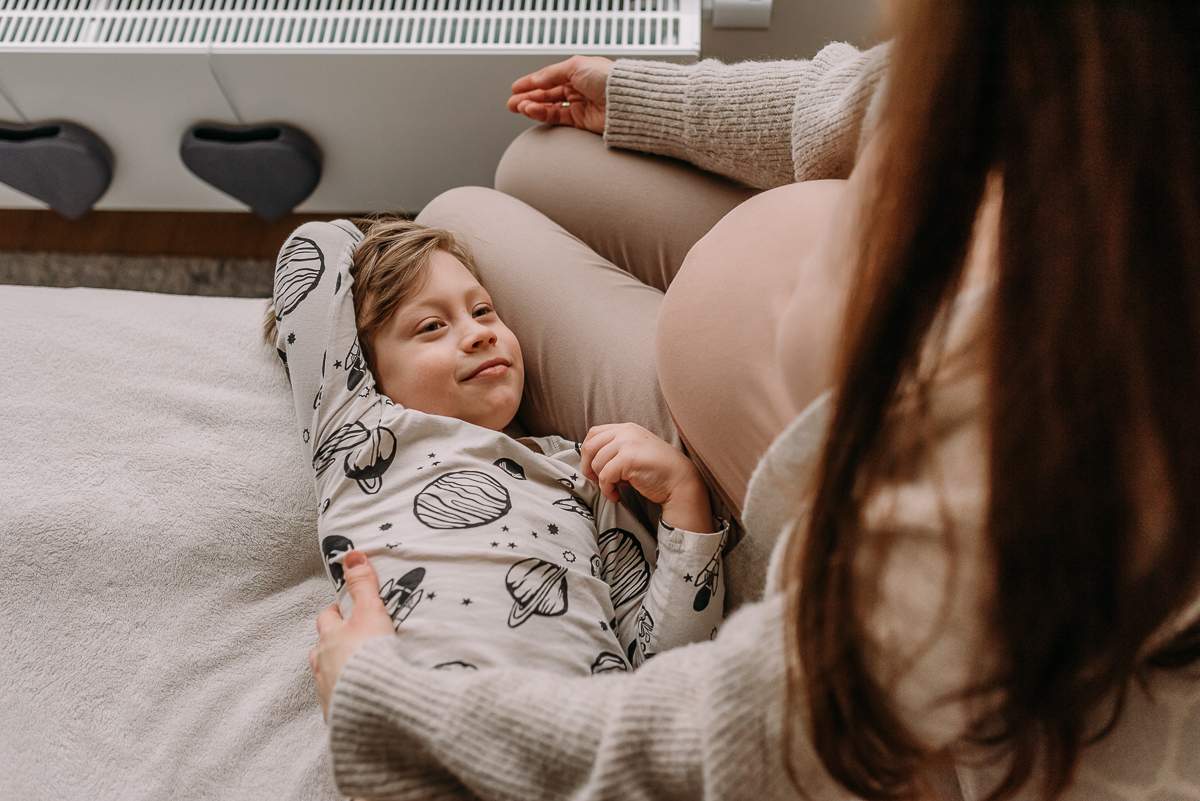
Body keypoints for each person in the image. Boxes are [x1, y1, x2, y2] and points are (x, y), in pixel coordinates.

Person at [309, 2, 1200, 800]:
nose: (476, 332)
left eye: (479, 317)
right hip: (798, 352)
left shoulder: (1043, 476)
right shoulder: (1075, 78)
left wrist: (385, 702)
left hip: (766, 474)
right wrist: (640, 98)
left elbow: (722, 734)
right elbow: (872, 93)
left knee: (465, 209)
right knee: (526, 163)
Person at [268, 215, 728, 682]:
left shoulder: (580, 470)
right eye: (431, 326)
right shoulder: (360, 435)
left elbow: (667, 671)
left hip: (595, 731)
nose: (480, 332)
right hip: (430, 725)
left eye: (483, 310)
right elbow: (312, 248)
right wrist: (388, 247)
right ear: (361, 368)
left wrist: (685, 498)